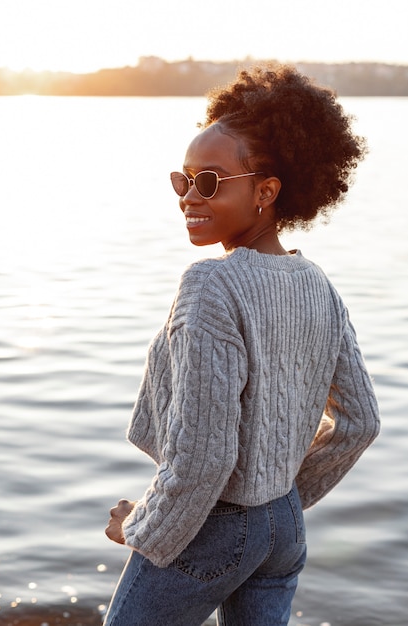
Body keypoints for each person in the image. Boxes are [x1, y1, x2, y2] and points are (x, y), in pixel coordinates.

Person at [104, 64, 380, 626]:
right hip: (284, 528)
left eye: (209, 181)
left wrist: (140, 526)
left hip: (213, 525)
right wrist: (279, 500)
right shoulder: (318, 285)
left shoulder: (212, 283)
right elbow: (361, 423)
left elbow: (205, 456)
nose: (188, 197)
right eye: (183, 180)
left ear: (266, 191)